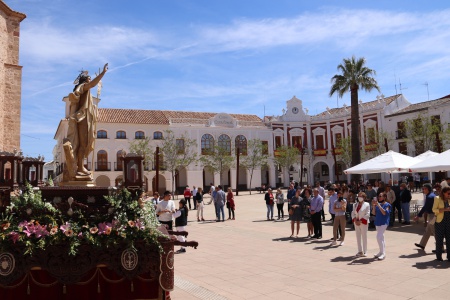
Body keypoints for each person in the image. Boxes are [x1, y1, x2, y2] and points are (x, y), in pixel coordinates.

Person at [66, 63, 108, 178]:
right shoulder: (83, 87)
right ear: (84, 81)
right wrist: (103, 73)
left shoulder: (86, 91)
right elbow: (93, 84)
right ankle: (80, 167)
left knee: (84, 143)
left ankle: (80, 166)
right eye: (88, 79)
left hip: (86, 118)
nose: (90, 81)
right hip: (83, 118)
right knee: (83, 144)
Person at [414, 184, 436, 250]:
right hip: (431, 215)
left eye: (424, 189)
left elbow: (425, 207)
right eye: (423, 189)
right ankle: (422, 244)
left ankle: (440, 248)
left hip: (432, 215)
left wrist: (418, 215)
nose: (423, 190)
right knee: (428, 231)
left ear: (428, 189)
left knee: (435, 232)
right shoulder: (431, 195)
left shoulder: (429, 197)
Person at [432, 186, 450, 261]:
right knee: (439, 240)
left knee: (449, 239)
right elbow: (434, 209)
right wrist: (445, 209)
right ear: (443, 193)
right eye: (448, 193)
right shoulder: (437, 199)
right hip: (440, 222)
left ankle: (449, 256)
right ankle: (439, 256)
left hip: (448, 222)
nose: (449, 195)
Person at [372, 192, 391, 260]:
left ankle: (383, 253)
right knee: (381, 237)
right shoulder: (377, 205)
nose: (379, 197)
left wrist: (378, 205)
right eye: (378, 196)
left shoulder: (387, 205)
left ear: (384, 197)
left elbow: (384, 213)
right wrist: (374, 205)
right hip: (378, 222)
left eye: (380, 196)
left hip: (384, 222)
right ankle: (381, 252)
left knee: (378, 236)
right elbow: (373, 213)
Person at [352, 192, 371, 257]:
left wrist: (360, 221)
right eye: (359, 196)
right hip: (356, 223)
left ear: (364, 197)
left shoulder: (367, 204)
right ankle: (360, 251)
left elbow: (368, 214)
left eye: (361, 196)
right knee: (358, 237)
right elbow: (353, 213)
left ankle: (365, 251)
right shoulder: (355, 204)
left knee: (364, 236)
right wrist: (355, 220)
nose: (359, 197)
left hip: (363, 223)